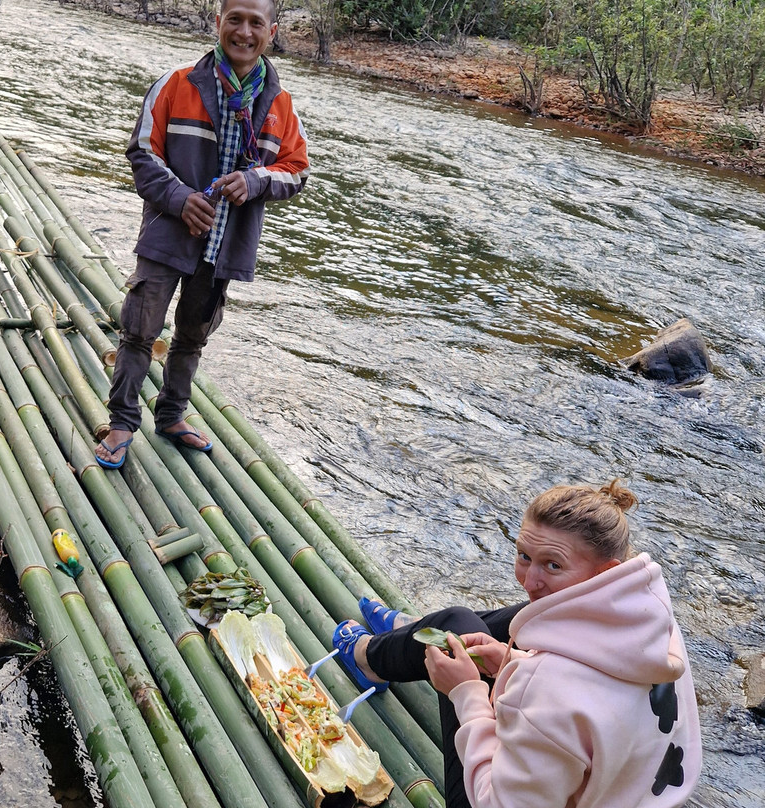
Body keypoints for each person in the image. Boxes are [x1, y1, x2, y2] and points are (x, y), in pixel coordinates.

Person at [332, 480, 702, 808]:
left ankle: (371, 657)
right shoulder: (655, 624)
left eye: (552, 565)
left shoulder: (551, 688)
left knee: (455, 626)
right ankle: (409, 631)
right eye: (524, 555)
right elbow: (599, 700)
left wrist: (466, 692)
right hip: (630, 791)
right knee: (524, 614)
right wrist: (516, 663)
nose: (529, 579)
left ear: (605, 572)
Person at [94, 0, 309, 469]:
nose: (244, 32)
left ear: (271, 31)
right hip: (167, 236)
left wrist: (254, 181)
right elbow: (142, 154)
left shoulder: (280, 105)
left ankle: (171, 414)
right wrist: (179, 199)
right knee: (139, 329)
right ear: (218, 23)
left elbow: (296, 172)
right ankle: (122, 422)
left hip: (225, 245)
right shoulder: (175, 84)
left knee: (193, 335)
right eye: (235, 19)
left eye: (256, 23)